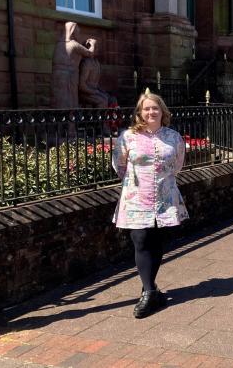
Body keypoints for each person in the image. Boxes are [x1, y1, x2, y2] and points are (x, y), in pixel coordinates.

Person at [112, 91, 189, 318]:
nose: (150, 112)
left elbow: (178, 166)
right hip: (136, 196)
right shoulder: (127, 137)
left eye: (154, 108)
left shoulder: (173, 137)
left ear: (162, 111)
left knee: (156, 240)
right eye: (146, 109)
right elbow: (120, 165)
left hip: (164, 197)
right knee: (140, 238)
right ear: (140, 113)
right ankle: (149, 291)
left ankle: (151, 290)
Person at [52, 22, 95, 108]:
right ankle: (70, 120)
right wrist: (93, 44)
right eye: (77, 32)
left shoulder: (59, 44)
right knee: (71, 100)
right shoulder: (74, 44)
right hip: (69, 76)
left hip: (57, 76)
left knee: (59, 99)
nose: (78, 34)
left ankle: (60, 118)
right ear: (72, 32)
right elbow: (90, 53)